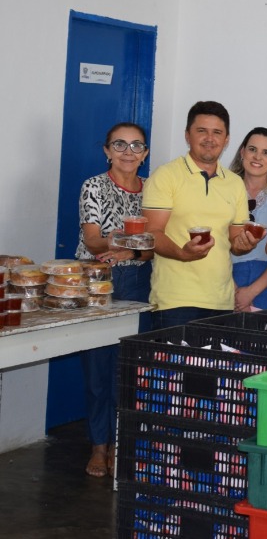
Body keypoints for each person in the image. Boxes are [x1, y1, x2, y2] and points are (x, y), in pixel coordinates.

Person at [75, 122, 153, 477]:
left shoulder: (152, 191)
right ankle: (98, 445)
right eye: (119, 144)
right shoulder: (94, 186)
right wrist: (125, 241)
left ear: (145, 154)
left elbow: (154, 248)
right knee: (97, 369)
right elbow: (93, 241)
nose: (128, 152)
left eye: (136, 146)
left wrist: (133, 251)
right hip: (98, 281)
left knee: (128, 369)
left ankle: (120, 443)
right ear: (107, 150)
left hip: (137, 281)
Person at [142, 101, 258, 328]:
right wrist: (182, 253)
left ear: (226, 139)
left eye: (217, 132)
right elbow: (152, 233)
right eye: (202, 131)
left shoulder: (235, 183)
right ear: (187, 135)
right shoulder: (165, 175)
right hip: (175, 301)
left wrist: (246, 243)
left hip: (222, 301)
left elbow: (235, 243)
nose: (209, 138)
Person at [228, 127, 267, 310]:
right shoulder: (222, 192)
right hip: (225, 282)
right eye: (252, 149)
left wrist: (250, 293)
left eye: (266, 152)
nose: (257, 157)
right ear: (242, 152)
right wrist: (235, 292)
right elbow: (215, 248)